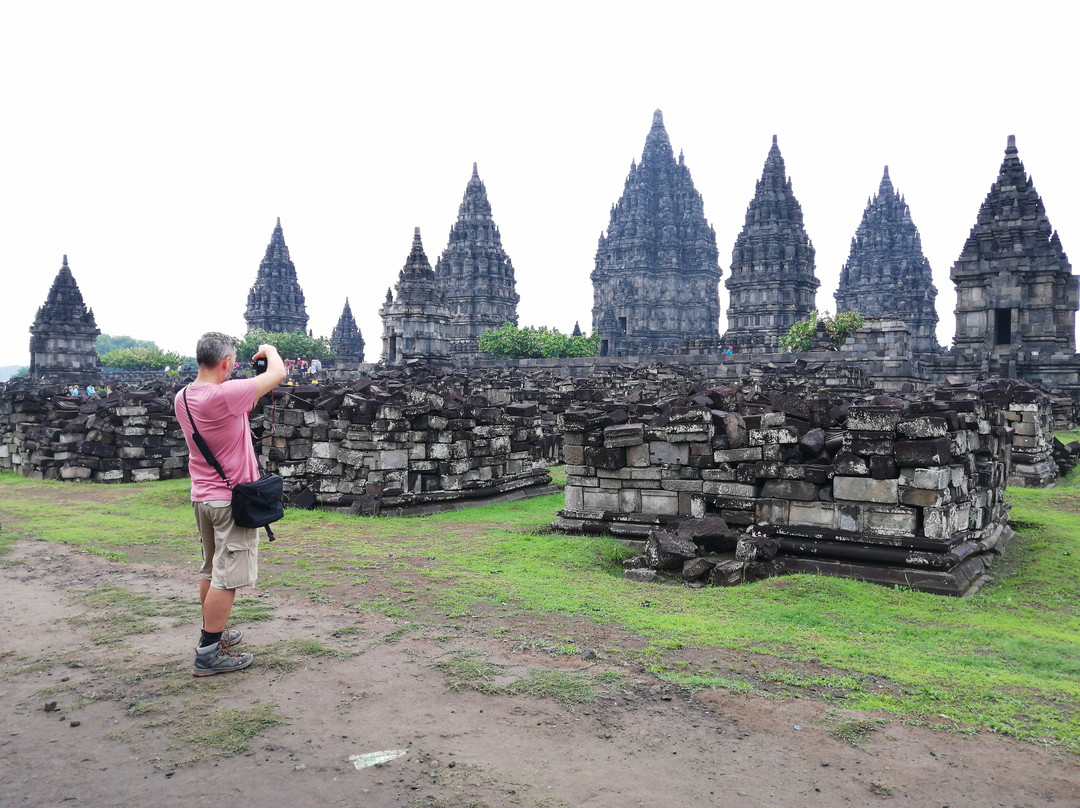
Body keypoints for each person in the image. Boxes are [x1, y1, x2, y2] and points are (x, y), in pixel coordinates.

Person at [175, 332, 285, 676]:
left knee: (212, 569)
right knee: (228, 577)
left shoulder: (183, 396)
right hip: (230, 502)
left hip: (203, 497)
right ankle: (208, 652)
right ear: (225, 363)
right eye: (232, 362)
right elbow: (278, 374)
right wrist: (270, 350)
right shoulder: (225, 396)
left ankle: (213, 633)